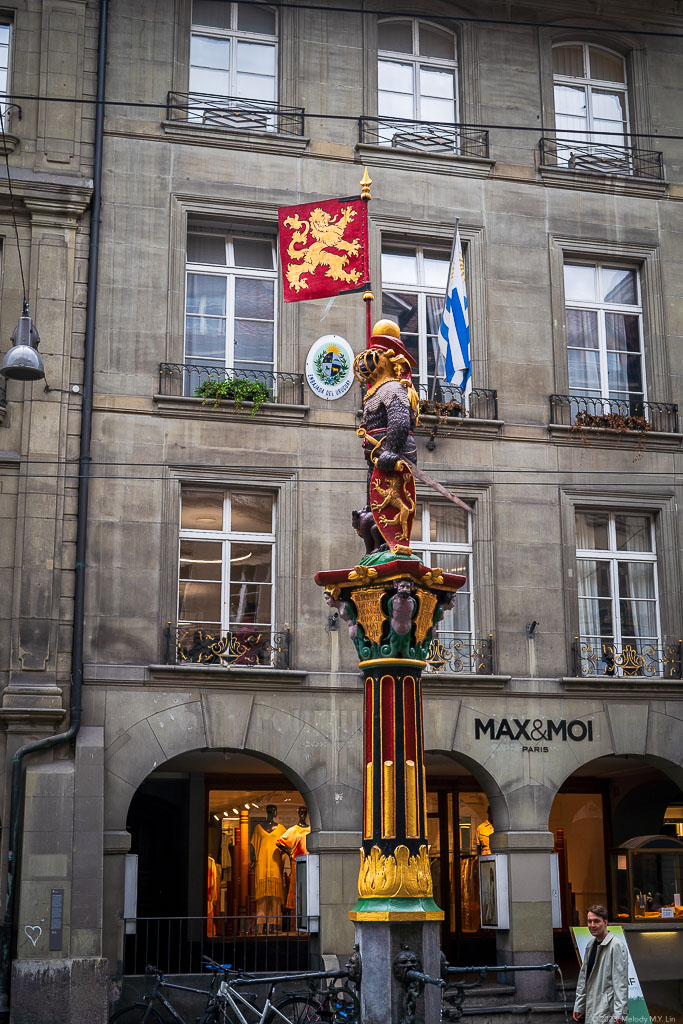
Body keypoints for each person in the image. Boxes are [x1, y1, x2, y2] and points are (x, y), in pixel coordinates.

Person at [573, 905, 628, 1024]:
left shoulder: (616, 946)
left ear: (605, 922)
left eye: (596, 921)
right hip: (593, 1008)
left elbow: (620, 982)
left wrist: (620, 1013)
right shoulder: (590, 944)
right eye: (589, 921)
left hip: (607, 1011)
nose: (592, 925)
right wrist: (579, 1005)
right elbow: (584, 978)